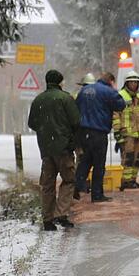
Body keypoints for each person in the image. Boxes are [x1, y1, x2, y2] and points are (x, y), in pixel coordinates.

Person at [27, 70, 80, 231]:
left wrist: (46, 131)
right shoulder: (66, 98)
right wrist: (68, 137)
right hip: (64, 148)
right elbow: (76, 121)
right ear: (60, 82)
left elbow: (32, 124)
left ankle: (47, 219)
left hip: (46, 149)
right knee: (68, 180)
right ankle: (61, 214)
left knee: (47, 184)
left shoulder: (38, 100)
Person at [75, 72, 125, 203]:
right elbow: (120, 105)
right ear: (111, 81)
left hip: (84, 132)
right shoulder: (107, 91)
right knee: (98, 164)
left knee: (86, 161)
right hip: (98, 132)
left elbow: (76, 108)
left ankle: (75, 187)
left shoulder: (84, 91)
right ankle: (97, 194)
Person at [115, 70, 139, 190]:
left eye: (136, 82)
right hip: (127, 132)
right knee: (129, 157)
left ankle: (133, 180)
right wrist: (117, 132)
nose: (134, 84)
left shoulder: (137, 97)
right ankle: (126, 181)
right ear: (126, 83)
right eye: (131, 82)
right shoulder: (120, 96)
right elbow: (116, 115)